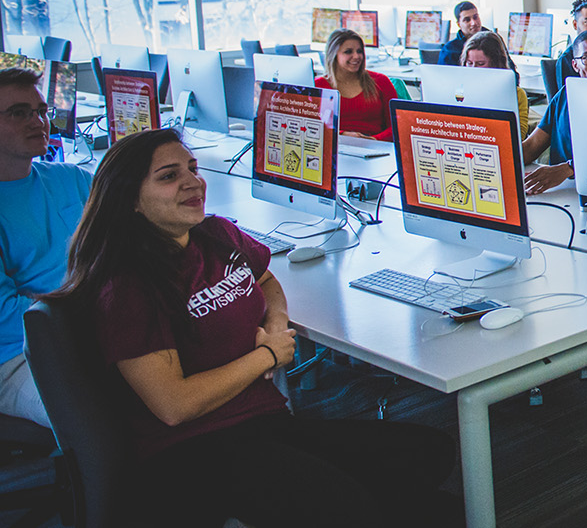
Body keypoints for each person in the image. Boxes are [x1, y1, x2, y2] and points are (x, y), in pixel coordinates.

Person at [51, 128, 459, 527]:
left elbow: (266, 280)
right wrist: (267, 355)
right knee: (361, 508)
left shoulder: (213, 234)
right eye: (169, 176)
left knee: (429, 454)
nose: (193, 182)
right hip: (195, 451)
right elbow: (173, 406)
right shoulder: (127, 286)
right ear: (130, 200)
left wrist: (275, 324)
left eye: (192, 168)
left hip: (263, 422)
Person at [0, 67, 90, 427]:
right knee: (105, 407)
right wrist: (100, 309)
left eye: (40, 111)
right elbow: (7, 317)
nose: (37, 122)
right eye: (19, 113)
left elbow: (135, 239)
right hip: (16, 358)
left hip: (100, 328)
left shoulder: (73, 178)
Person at [522, 31, 587, 194]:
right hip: (562, 190)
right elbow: (533, 146)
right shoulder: (565, 95)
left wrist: (568, 168)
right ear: (575, 65)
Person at [316, 28, 397, 139]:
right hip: (338, 147)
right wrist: (341, 134)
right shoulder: (318, 86)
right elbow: (315, 127)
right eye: (348, 52)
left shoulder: (380, 81)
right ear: (334, 55)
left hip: (377, 146)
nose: (356, 56)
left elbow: (397, 125)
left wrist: (374, 139)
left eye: (359, 51)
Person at [460, 29, 534, 138]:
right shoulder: (460, 91)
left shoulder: (515, 94)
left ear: (495, 63)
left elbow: (519, 135)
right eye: (469, 63)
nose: (473, 69)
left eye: (480, 64)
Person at [439, 0, 481, 66]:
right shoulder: (450, 50)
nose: (474, 23)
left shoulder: (493, 41)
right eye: (467, 20)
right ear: (459, 24)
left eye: (475, 17)